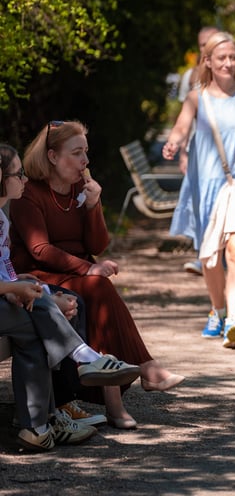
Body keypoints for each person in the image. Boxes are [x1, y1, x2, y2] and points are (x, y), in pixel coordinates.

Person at [10, 121, 185, 429]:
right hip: (38, 275)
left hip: (77, 274)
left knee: (97, 289)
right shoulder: (30, 194)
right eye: (76, 153)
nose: (85, 161)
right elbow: (39, 249)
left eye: (86, 153)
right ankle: (141, 372)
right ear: (52, 156)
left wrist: (93, 206)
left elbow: (97, 244)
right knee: (97, 285)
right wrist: (88, 267)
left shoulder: (81, 188)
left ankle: (119, 397)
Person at [1, 146, 141, 449]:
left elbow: (7, 273)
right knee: (42, 316)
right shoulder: (23, 204)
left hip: (9, 299)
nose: (24, 179)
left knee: (60, 301)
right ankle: (79, 368)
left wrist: (28, 287)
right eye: (17, 173)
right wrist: (19, 290)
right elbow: (33, 257)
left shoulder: (2, 219)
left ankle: (42, 423)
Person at [163, 31, 235, 349]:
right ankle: (218, 309)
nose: (228, 63)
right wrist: (174, 141)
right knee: (211, 256)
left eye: (233, 57)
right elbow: (182, 125)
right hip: (206, 182)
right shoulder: (197, 96)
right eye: (221, 58)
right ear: (207, 61)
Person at [176, 26, 220, 276]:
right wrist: (183, 152)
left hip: (226, 157)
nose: (205, 48)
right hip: (198, 153)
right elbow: (185, 120)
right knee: (199, 204)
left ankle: (218, 257)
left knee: (219, 206)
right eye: (202, 44)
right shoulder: (190, 77)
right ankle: (203, 254)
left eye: (210, 43)